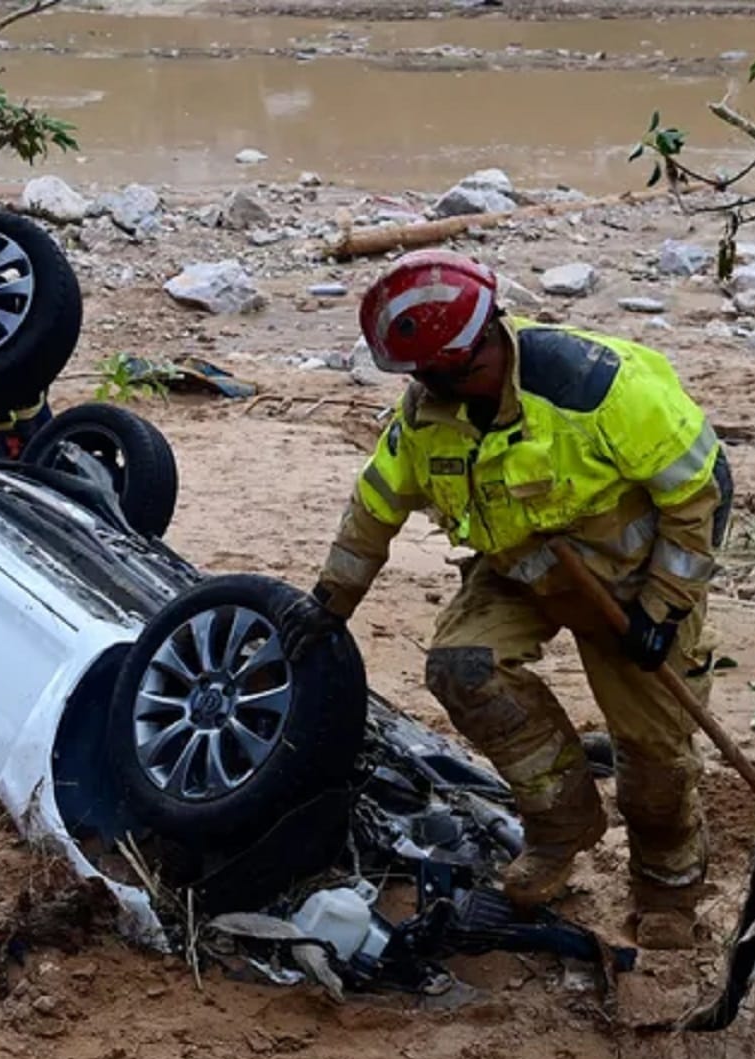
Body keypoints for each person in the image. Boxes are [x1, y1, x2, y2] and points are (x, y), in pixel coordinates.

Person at [307, 250, 732, 949]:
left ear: (488, 337)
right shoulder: (428, 414)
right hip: (521, 569)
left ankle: (667, 889)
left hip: (630, 584)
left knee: (655, 761)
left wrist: (665, 607)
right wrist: (330, 603)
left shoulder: (598, 391)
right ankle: (561, 826)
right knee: (462, 665)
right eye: (426, 381)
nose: (440, 395)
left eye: (456, 376)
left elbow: (699, 492)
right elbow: (374, 505)